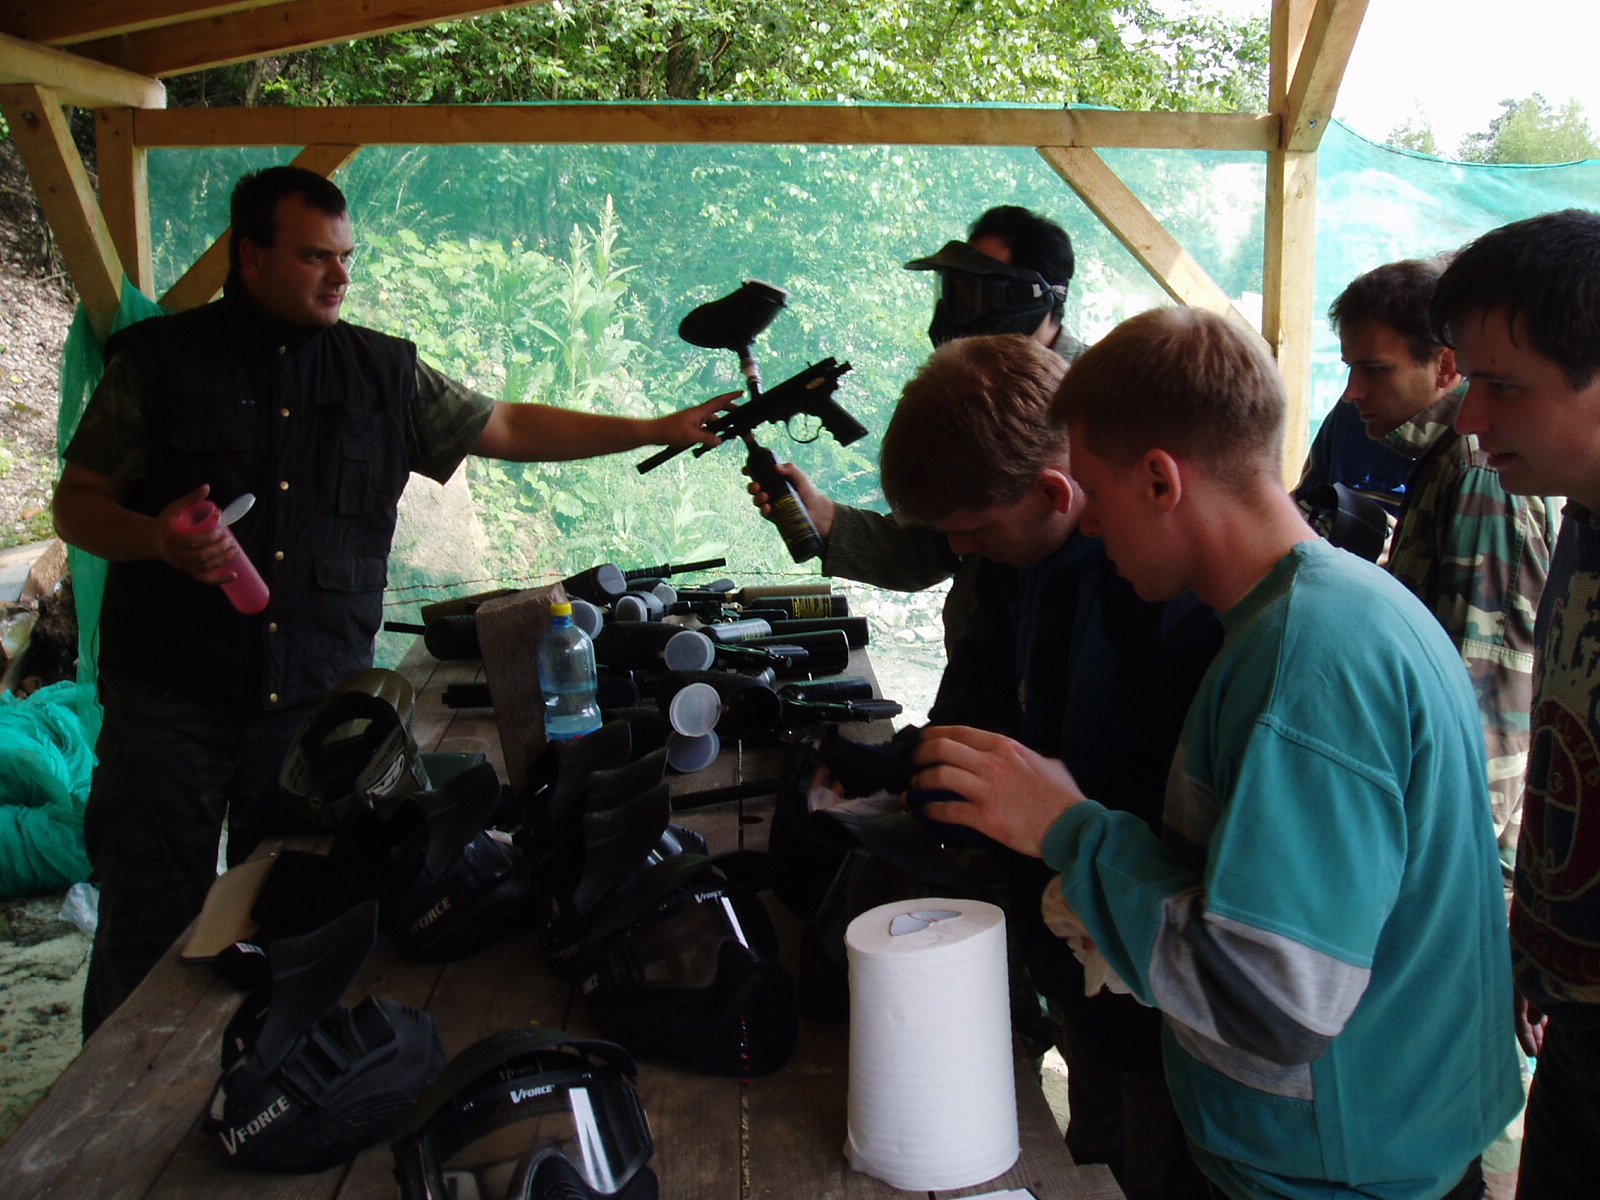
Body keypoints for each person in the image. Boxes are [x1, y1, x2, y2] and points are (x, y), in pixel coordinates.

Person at [53, 165, 731, 1035]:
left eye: (347, 256)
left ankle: (273, 1075)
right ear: (251, 257)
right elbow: (78, 503)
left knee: (302, 920)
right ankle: (113, 1106)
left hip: (314, 715)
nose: (340, 275)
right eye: (315, 257)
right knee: (146, 928)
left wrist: (653, 428)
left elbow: (506, 425)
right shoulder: (158, 363)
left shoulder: (382, 372)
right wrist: (155, 538)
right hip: (167, 703)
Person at [912, 306, 1522, 1200]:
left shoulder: (1308, 664)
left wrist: (1068, 830)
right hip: (1356, 1150)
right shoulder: (1332, 611)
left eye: (1095, 492)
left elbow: (1271, 1003)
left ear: (1161, 480)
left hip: (1331, 1177)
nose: (1087, 526)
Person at [876, 333, 1219, 1200]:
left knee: (1151, 1152)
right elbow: (984, 695)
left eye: (973, 531)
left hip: (1147, 969)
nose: (963, 551)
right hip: (1066, 931)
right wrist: (916, 766)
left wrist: (1055, 827)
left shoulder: (1161, 596)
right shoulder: (1015, 561)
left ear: (1055, 493)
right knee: (1090, 1122)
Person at [1429, 208, 1600, 1200]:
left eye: (1502, 386)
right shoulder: (1577, 515)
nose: (1468, 419)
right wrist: (1538, 942)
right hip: (1572, 1019)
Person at [748, 206, 1083, 681]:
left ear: (1039, 298)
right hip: (982, 676)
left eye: (981, 290)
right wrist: (827, 518)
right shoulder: (973, 393)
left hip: (1057, 684)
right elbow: (934, 548)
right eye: (957, 289)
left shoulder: (1098, 405)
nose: (962, 309)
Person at [1330, 258, 1558, 883]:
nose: (1353, 393)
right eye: (1349, 368)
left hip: (1466, 850)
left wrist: (1454, 870)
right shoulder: (1444, 460)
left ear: (1445, 365)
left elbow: (1490, 692)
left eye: (1375, 369)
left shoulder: (1479, 473)